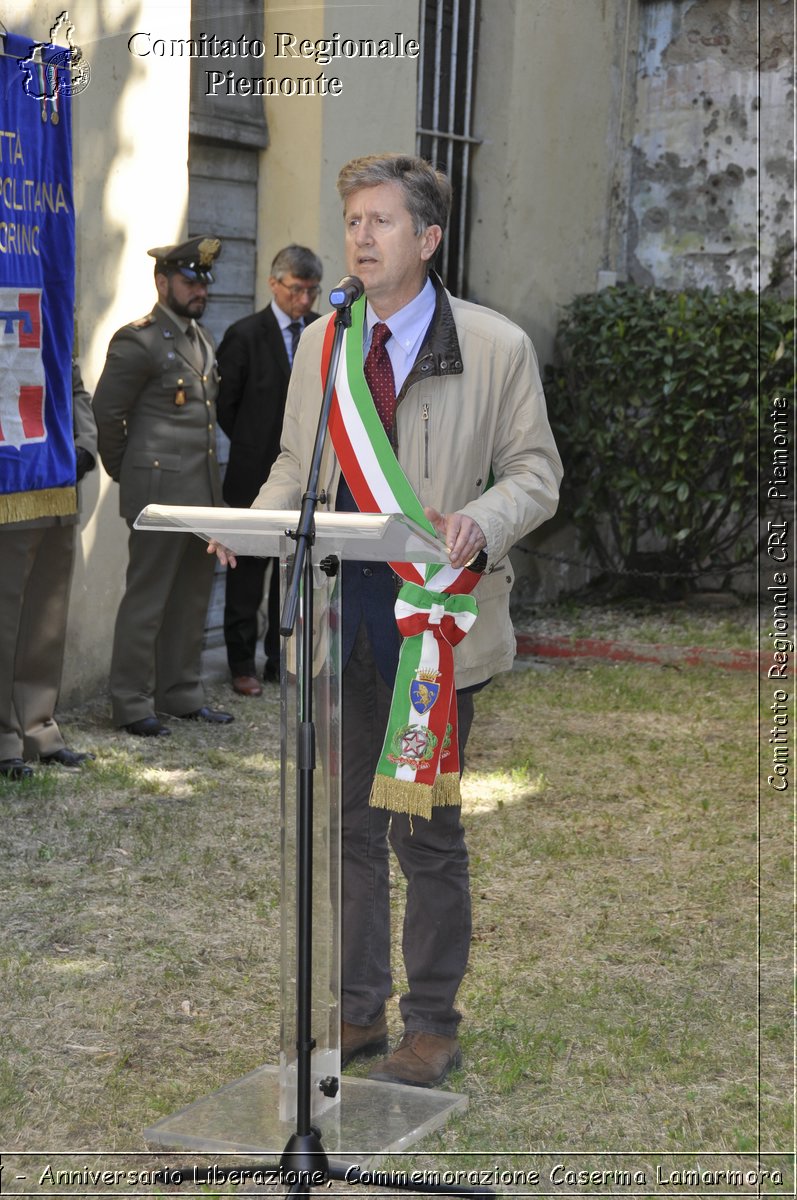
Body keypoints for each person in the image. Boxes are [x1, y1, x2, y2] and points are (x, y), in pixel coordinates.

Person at [213, 154, 562, 1086]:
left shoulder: (494, 345)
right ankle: (358, 1015)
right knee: (350, 829)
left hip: (434, 621)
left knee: (425, 832)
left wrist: (477, 523)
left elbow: (536, 475)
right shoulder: (327, 340)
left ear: (428, 238)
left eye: (380, 221)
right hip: (338, 614)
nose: (360, 237)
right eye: (353, 222)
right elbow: (298, 463)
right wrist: (247, 528)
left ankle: (433, 1025)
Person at [93, 237, 233, 737]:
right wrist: (127, 473)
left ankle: (180, 693)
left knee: (191, 599)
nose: (200, 290)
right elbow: (107, 414)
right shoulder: (139, 340)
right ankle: (131, 702)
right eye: (190, 281)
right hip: (157, 495)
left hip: (201, 494)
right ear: (162, 282)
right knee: (147, 600)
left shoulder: (200, 339)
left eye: (204, 282)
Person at [216, 245, 323, 696]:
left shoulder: (323, 333)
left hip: (306, 478)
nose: (305, 300)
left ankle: (282, 659)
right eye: (297, 290)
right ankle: (242, 663)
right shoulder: (244, 334)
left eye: (313, 291)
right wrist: (255, 443)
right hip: (252, 473)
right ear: (274, 284)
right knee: (245, 573)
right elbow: (226, 407)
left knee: (292, 570)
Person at [0, 359, 98, 779]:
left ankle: (39, 730)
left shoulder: (48, 313)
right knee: (6, 621)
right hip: (14, 477)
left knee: (47, 616)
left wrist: (84, 445)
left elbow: (75, 389)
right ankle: (5, 743)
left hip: (59, 482)